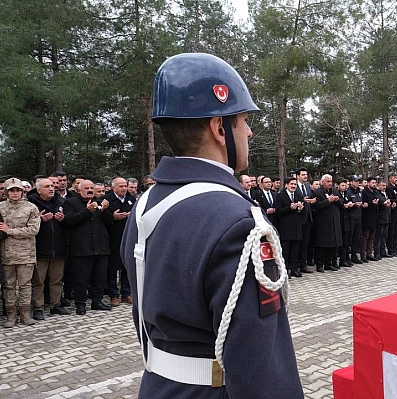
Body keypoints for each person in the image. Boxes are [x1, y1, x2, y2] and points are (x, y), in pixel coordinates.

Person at [120, 53, 302, 398]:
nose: (249, 131)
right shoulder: (238, 222)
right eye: (244, 120)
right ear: (220, 129)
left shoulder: (147, 203)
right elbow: (259, 364)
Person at [63, 180, 113, 315]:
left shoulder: (100, 202)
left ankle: (97, 301)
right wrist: (87, 211)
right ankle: (81, 304)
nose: (90, 190)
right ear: (79, 190)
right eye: (86, 188)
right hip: (82, 248)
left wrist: (105, 210)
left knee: (100, 277)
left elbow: (110, 222)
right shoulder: (71, 203)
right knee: (81, 279)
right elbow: (70, 221)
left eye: (92, 188)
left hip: (101, 247)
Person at [27, 178, 70, 320]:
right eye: (47, 186)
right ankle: (38, 307)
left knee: (57, 280)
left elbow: (70, 223)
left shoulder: (61, 202)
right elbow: (26, 225)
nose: (51, 188)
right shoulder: (31, 204)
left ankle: (55, 305)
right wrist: (39, 220)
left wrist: (63, 219)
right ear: (39, 190)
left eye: (52, 186)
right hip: (40, 249)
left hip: (58, 248)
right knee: (38, 281)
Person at [0, 178, 41, 327]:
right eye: (12, 190)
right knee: (9, 286)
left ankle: (25, 314)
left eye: (18, 190)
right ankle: (11, 316)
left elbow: (33, 230)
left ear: (23, 192)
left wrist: (9, 230)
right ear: (7, 192)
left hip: (26, 254)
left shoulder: (31, 208)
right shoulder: (0, 207)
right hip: (6, 254)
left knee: (25, 286)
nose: (15, 193)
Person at [103, 177, 135, 307]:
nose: (124, 189)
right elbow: (102, 218)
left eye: (125, 186)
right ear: (113, 187)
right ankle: (113, 295)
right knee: (112, 268)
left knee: (126, 266)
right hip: (112, 238)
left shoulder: (131, 199)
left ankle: (126, 293)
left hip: (127, 237)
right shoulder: (107, 200)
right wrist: (113, 217)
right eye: (121, 186)